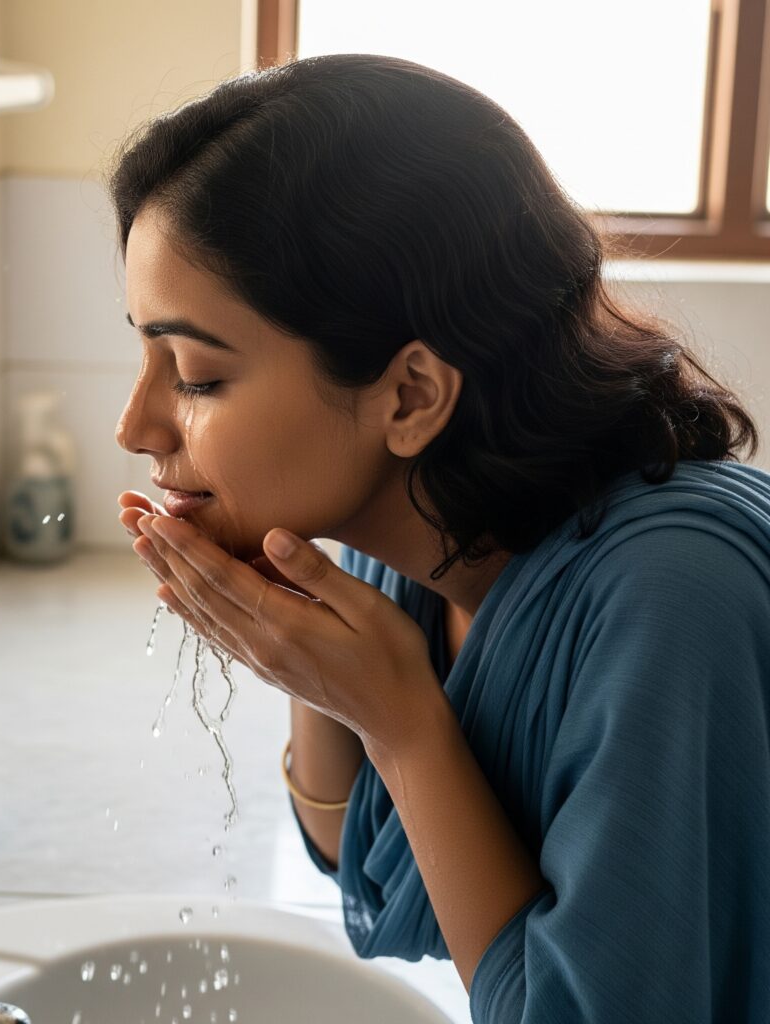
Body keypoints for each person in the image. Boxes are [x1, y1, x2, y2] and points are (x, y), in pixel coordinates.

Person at [108, 53, 769, 1022]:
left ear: (412, 395)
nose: (134, 426)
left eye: (196, 375)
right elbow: (366, 861)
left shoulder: (674, 601)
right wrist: (309, 655)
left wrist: (403, 726)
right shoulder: (414, 538)